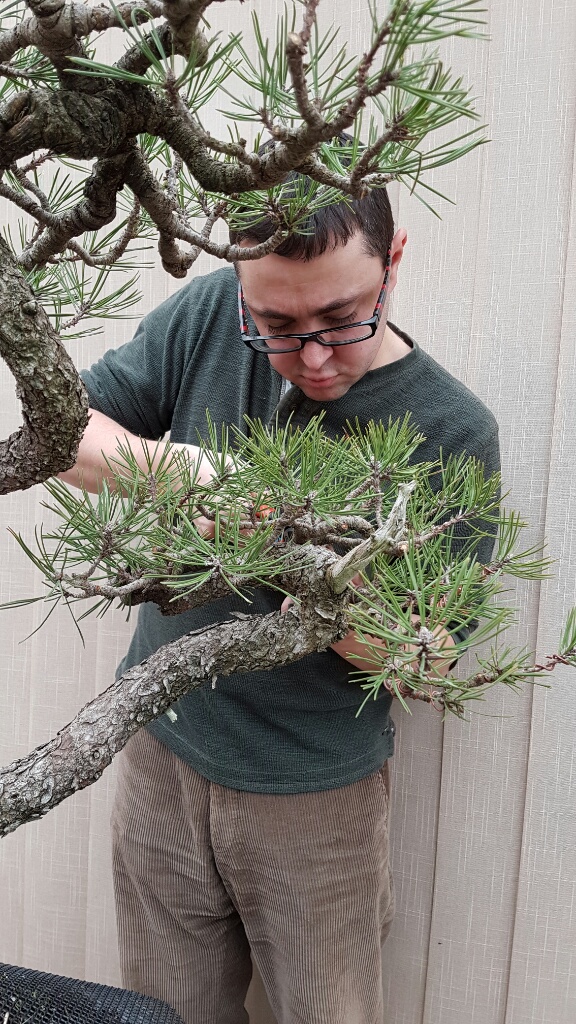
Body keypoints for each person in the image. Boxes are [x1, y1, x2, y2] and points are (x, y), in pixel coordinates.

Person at [64, 176, 500, 1024]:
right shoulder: (208, 314)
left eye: (342, 318)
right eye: (276, 327)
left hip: (314, 794)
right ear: (240, 281)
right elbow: (65, 431)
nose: (314, 357)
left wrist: (301, 560)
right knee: (155, 1012)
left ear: (394, 261)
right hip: (164, 745)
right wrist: (191, 476)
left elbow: (426, 661)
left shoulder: (451, 430)